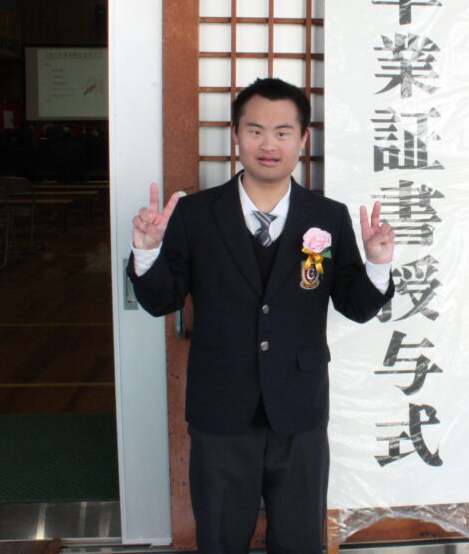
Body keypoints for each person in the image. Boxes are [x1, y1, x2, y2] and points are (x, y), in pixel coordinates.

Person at [128, 78, 395, 554]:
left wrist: (377, 264)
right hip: (219, 407)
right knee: (219, 538)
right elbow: (160, 301)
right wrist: (146, 253)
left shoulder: (328, 217)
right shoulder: (195, 214)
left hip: (299, 409)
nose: (268, 145)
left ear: (303, 138)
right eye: (255, 131)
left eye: (282, 132)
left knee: (300, 540)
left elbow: (355, 307)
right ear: (236, 134)